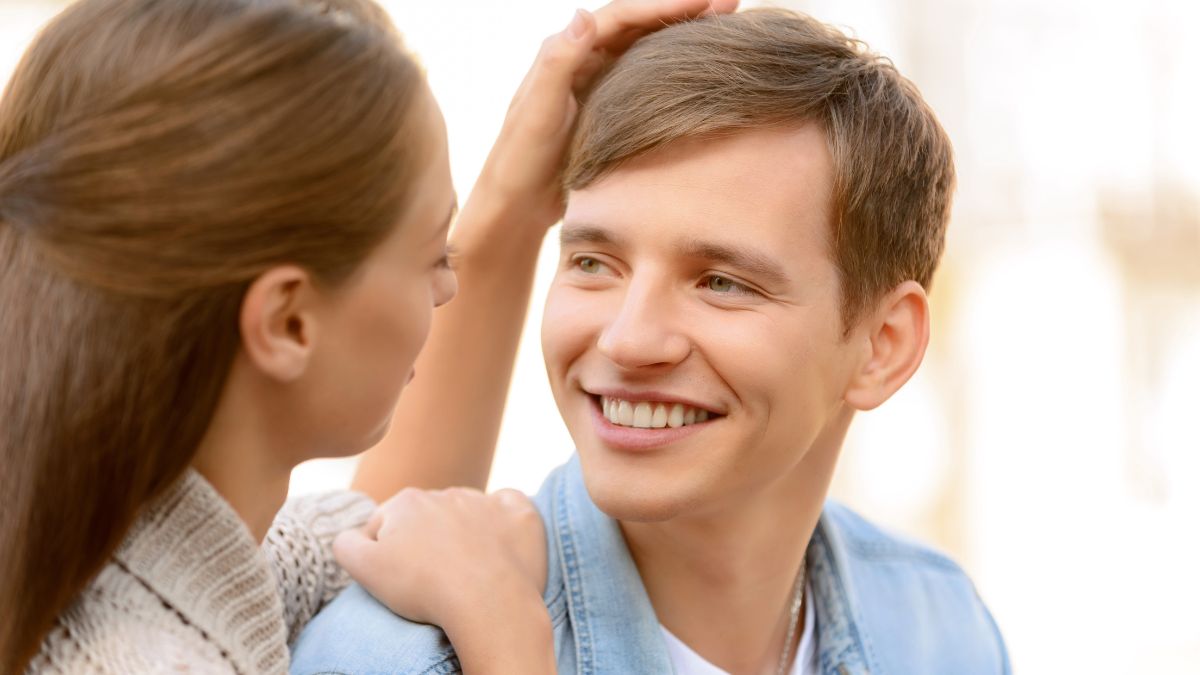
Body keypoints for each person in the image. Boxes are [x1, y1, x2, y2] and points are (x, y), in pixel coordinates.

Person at [0, 0, 735, 672]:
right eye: (430, 257)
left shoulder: (134, 548)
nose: (449, 286)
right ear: (288, 322)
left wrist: (515, 200)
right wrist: (509, 638)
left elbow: (386, 530)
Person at [291, 8, 1012, 675]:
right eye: (593, 262)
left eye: (721, 282)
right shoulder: (397, 655)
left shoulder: (941, 629)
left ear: (883, 345)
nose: (629, 338)